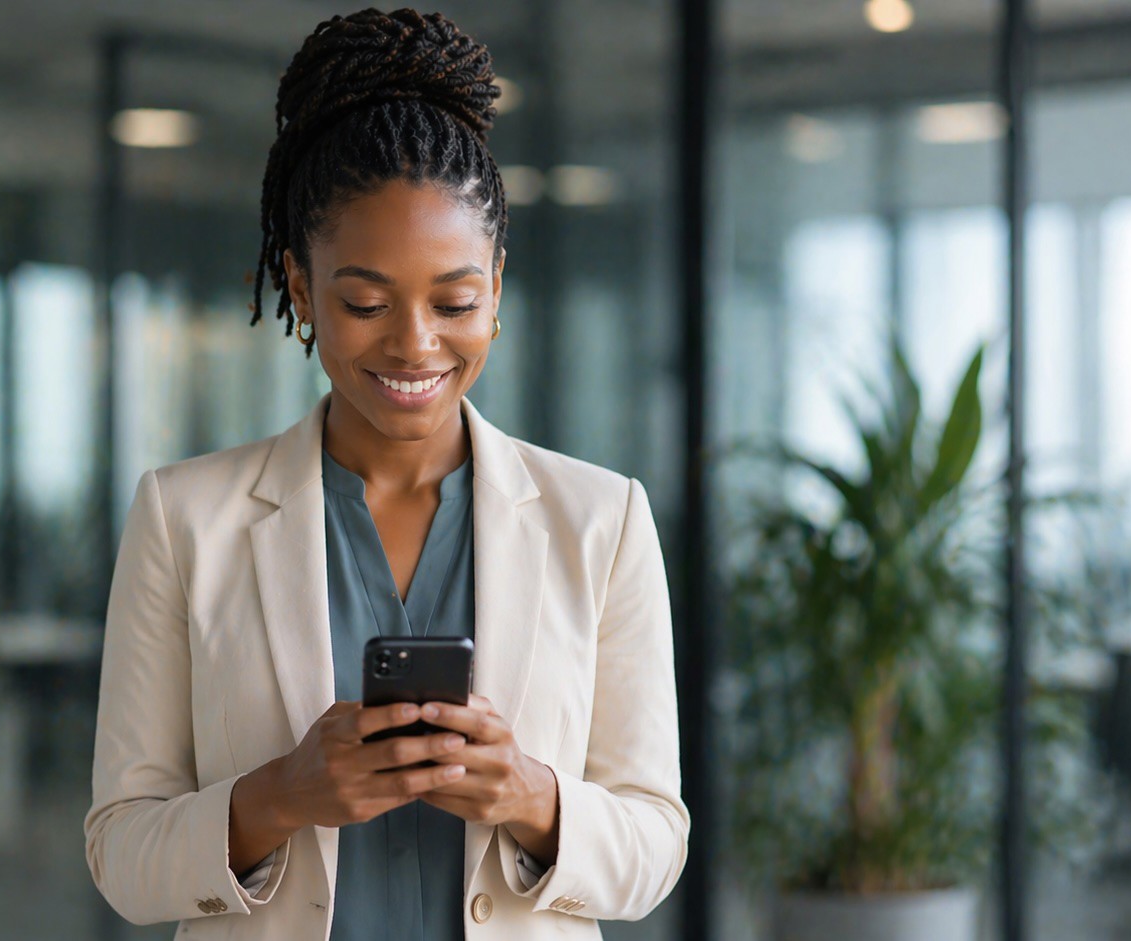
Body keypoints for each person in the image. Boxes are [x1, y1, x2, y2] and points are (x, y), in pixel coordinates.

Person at [84, 8, 687, 939]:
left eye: (455, 300)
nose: (415, 343)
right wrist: (280, 796)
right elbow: (122, 854)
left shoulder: (601, 521)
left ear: (497, 286)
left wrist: (531, 796)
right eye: (364, 301)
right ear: (299, 289)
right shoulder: (183, 518)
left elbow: (655, 844)